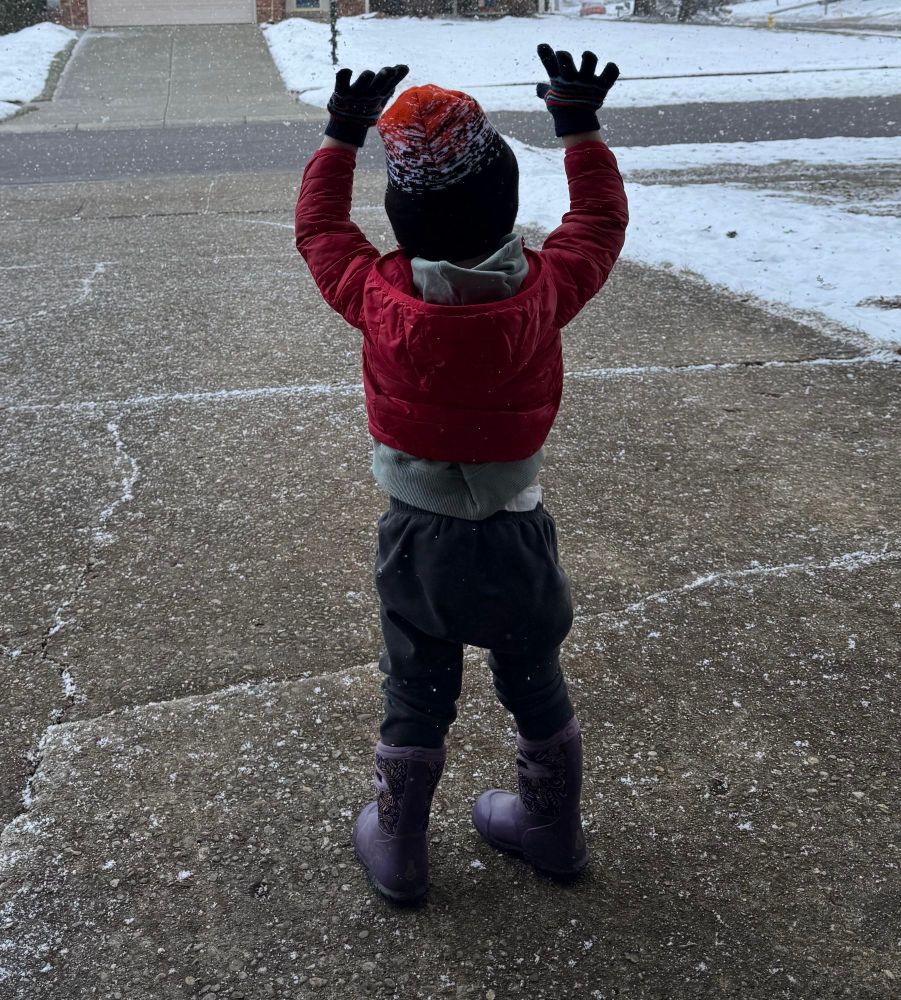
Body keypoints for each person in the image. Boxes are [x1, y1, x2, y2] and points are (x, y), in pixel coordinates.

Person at [295, 44, 628, 903]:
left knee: (416, 688)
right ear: (505, 205)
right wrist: (578, 124)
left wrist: (341, 134)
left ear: (403, 219)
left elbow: (321, 232)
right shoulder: (544, 292)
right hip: (518, 525)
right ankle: (551, 831)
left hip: (419, 535)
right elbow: (598, 220)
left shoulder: (378, 299)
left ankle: (400, 846)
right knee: (535, 680)